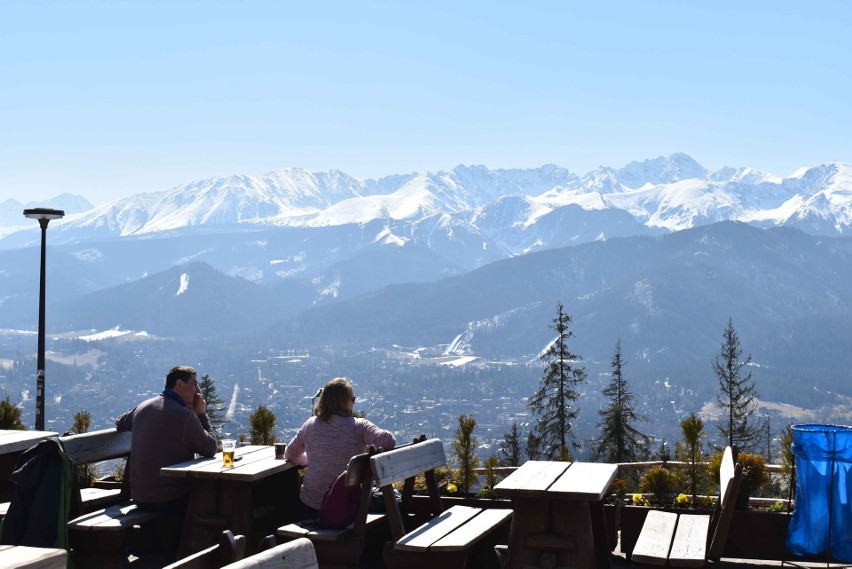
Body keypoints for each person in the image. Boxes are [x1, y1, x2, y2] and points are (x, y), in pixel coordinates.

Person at [115, 365, 217, 552]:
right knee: (213, 496)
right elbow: (210, 447)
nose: (198, 391)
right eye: (194, 385)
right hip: (169, 498)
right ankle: (196, 553)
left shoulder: (143, 407)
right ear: (179, 384)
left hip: (139, 496)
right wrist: (201, 414)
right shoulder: (185, 416)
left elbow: (121, 421)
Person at [285, 377, 396, 520]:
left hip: (311, 507)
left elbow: (290, 454)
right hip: (347, 509)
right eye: (353, 398)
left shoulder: (309, 425)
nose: (354, 402)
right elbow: (389, 441)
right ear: (346, 402)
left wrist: (311, 459)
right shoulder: (359, 427)